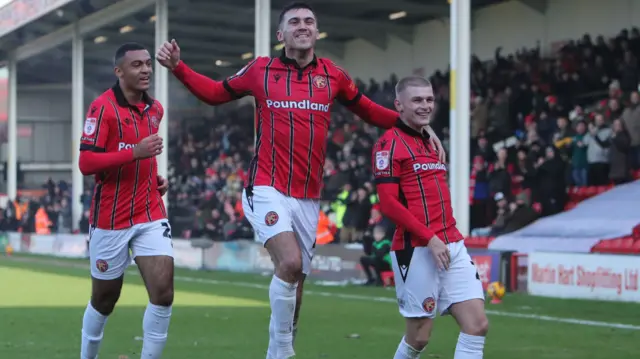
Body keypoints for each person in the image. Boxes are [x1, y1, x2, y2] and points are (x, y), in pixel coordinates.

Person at [156, 3, 445, 358]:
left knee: (297, 284)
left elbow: (369, 110)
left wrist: (416, 127)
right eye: (294, 21)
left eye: (309, 21)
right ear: (281, 34)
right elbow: (216, 93)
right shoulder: (261, 70)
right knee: (290, 264)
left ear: (317, 31)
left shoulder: (333, 75)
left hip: (308, 196)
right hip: (266, 186)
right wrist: (179, 68)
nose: (303, 26)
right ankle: (280, 351)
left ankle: (282, 346)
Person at [372, 76, 488, 359]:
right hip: (416, 248)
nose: (425, 106)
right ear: (399, 105)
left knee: (477, 325)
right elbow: (387, 203)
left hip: (452, 242)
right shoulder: (388, 145)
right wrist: (430, 239)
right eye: (417, 100)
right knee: (419, 337)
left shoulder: (431, 140)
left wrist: (441, 239)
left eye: (429, 99)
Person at [78, 42, 174, 359]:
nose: (146, 69)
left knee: (163, 292)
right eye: (136, 65)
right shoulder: (101, 108)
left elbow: (148, 156)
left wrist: (154, 179)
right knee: (105, 299)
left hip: (150, 212)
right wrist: (135, 153)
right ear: (119, 71)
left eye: (148, 63)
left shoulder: (155, 109)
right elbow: (86, 163)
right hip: (110, 218)